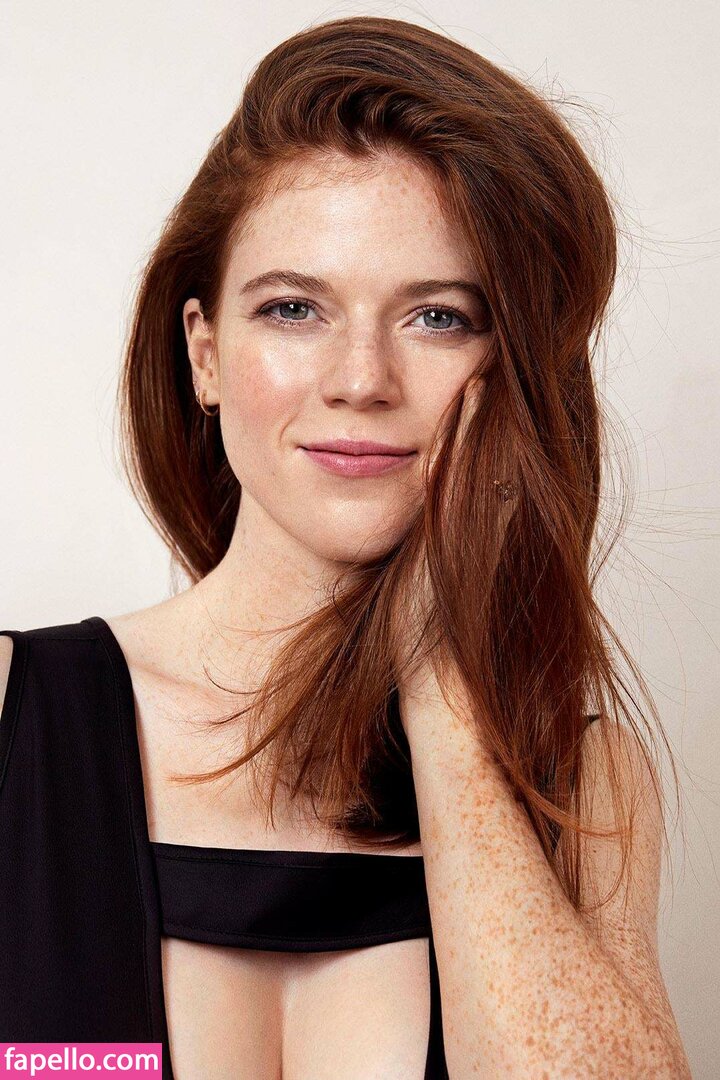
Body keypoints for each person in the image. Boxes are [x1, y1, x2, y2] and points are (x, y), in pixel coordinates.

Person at [0, 14, 691, 1079]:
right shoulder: (14, 719)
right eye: (293, 308)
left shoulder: (584, 783)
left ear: (511, 372)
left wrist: (443, 694)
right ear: (204, 355)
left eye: (439, 318)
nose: (362, 379)